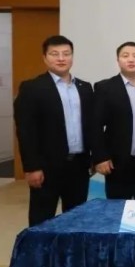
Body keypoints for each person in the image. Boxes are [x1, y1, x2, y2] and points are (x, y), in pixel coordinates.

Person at [13, 35, 93, 226]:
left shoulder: (84, 87)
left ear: (72, 57)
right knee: (42, 219)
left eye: (66, 53)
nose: (61, 58)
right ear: (45, 57)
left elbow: (91, 125)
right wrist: (31, 167)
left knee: (76, 219)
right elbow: (25, 131)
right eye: (54, 54)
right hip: (46, 167)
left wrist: (93, 158)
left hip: (79, 165)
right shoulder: (32, 88)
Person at [92, 41, 135, 200]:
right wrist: (100, 157)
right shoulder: (105, 88)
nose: (131, 59)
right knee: (117, 210)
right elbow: (95, 126)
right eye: (125, 56)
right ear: (118, 60)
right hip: (118, 163)